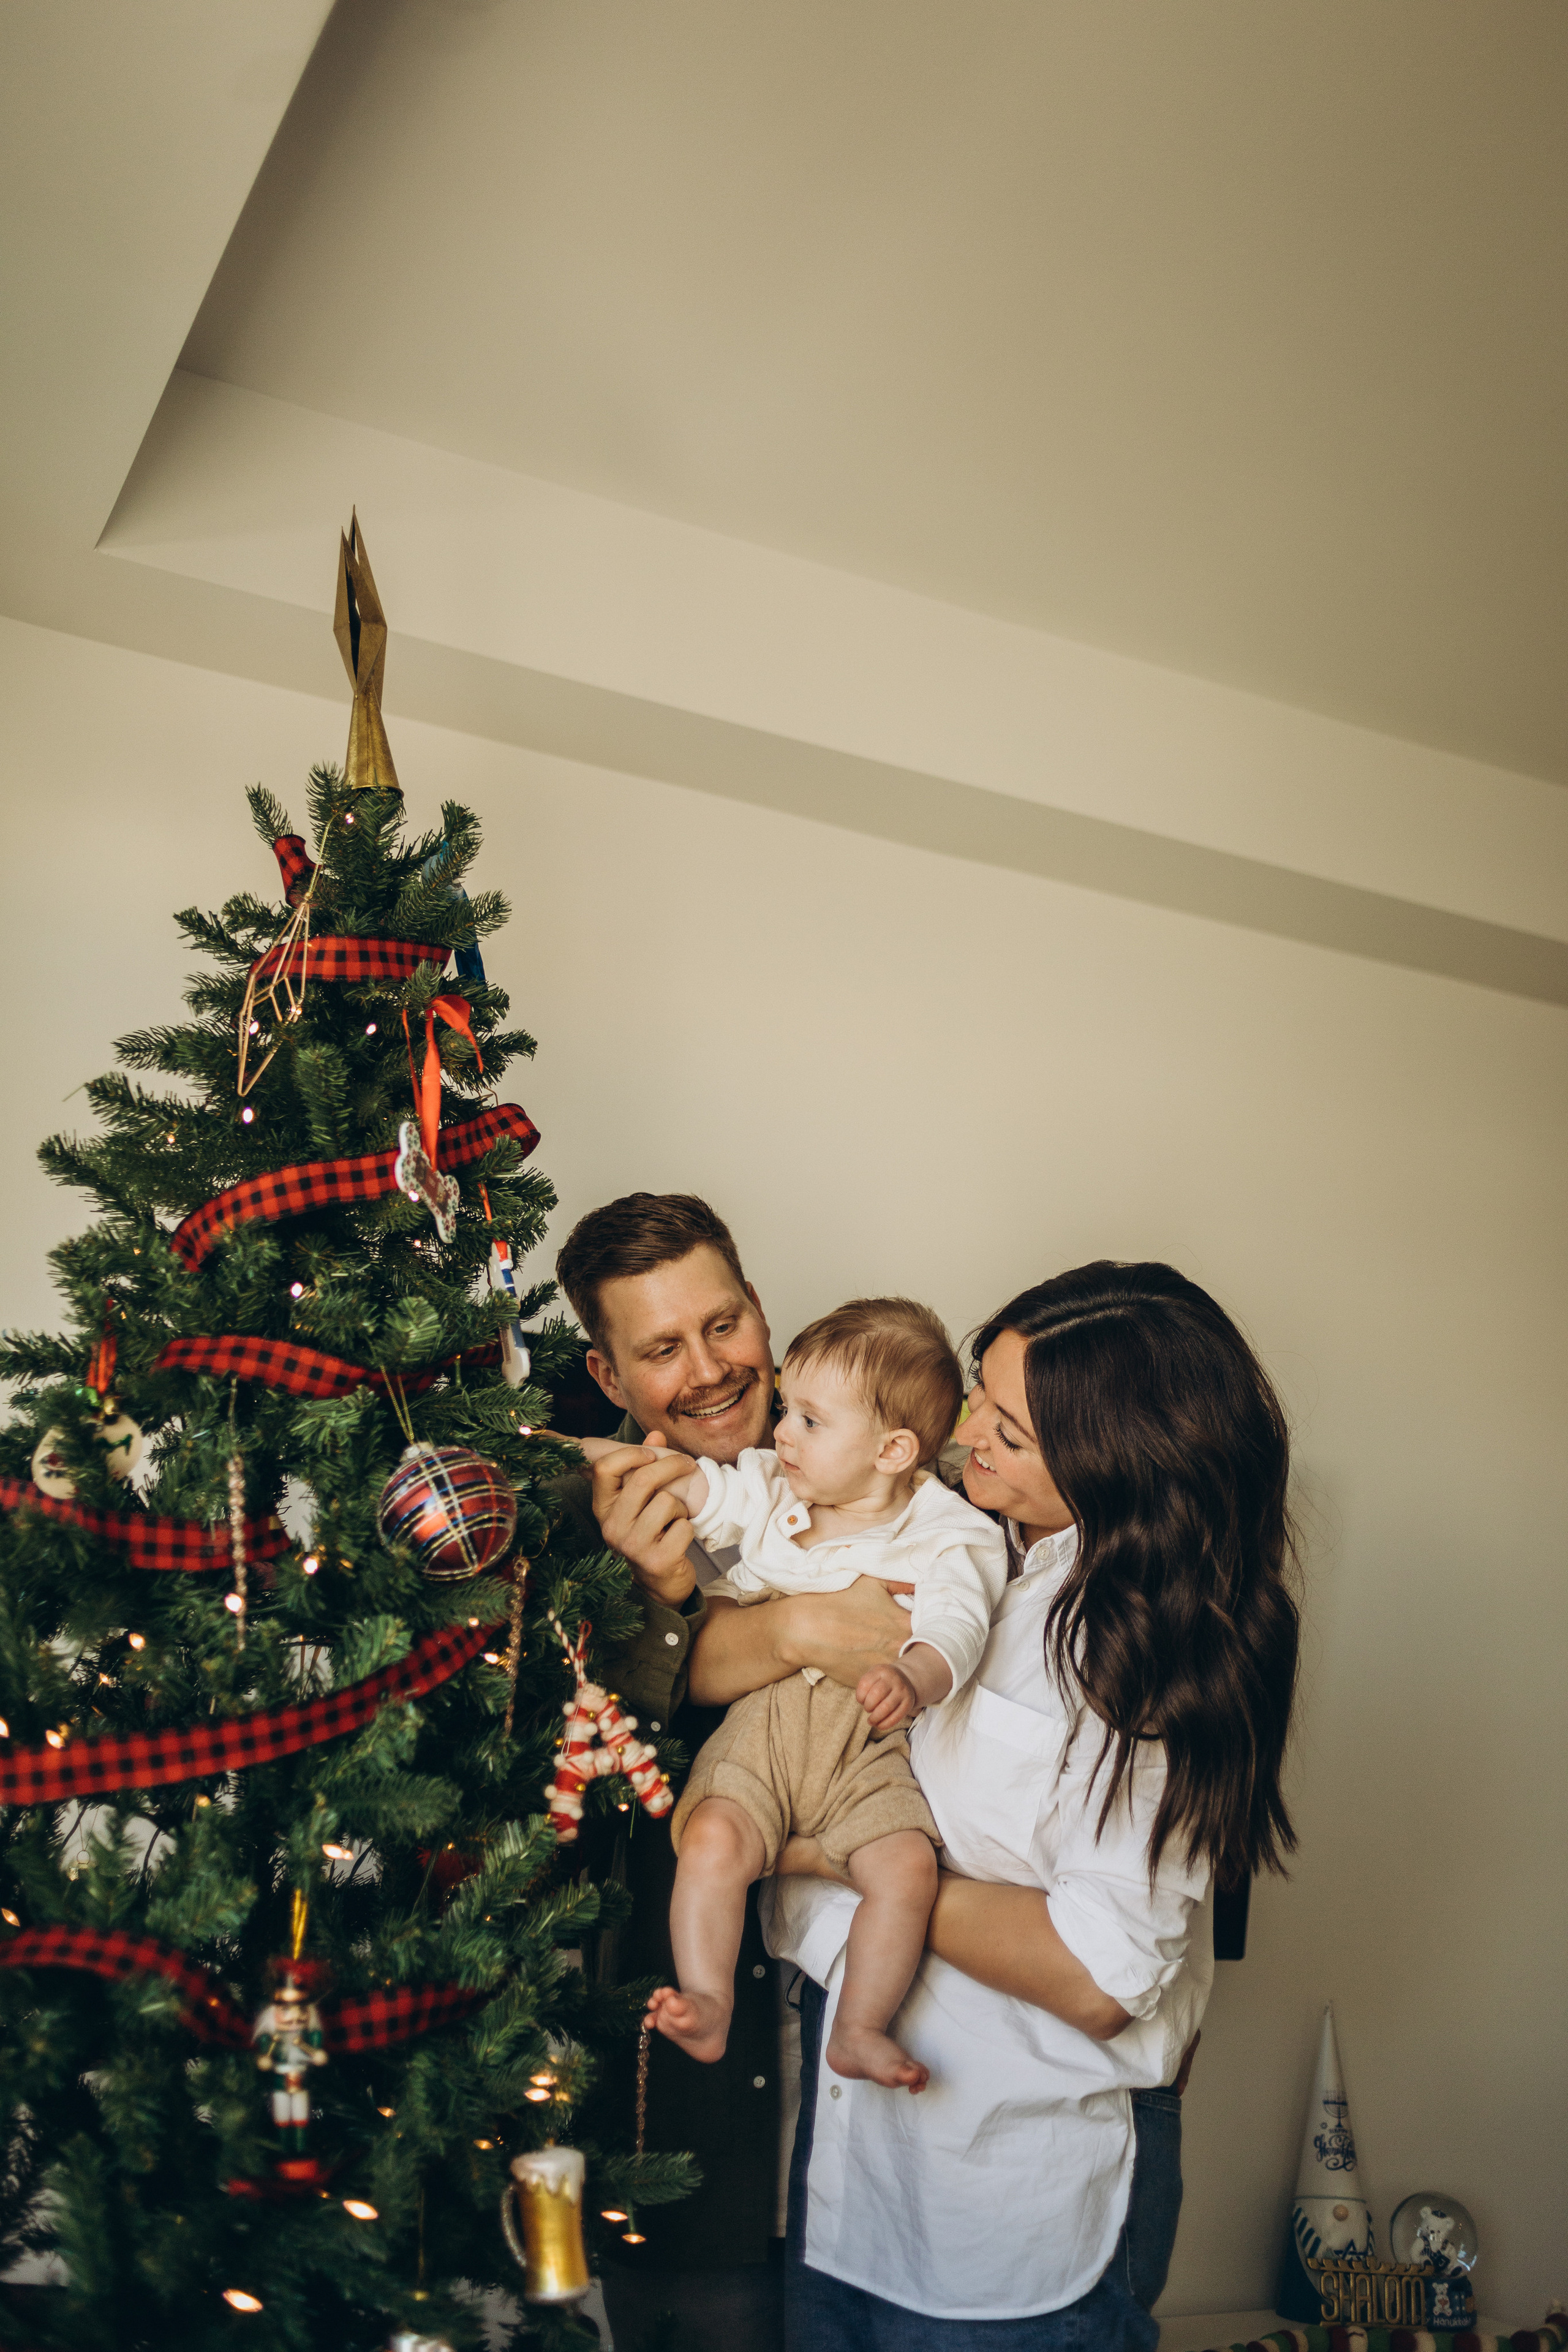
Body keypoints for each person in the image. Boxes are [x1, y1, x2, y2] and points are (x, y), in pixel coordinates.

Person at [683, 1262, 1300, 2348]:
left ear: (1118, 1461)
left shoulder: (1151, 1650)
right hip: (852, 2166)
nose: (962, 1433)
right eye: (979, 1393)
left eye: (1007, 1430)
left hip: (1007, 2197)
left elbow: (1099, 1974)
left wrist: (838, 1855)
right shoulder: (971, 1545)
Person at [578, 1298, 1006, 2090]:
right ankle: (707, 2000)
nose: (781, 1433)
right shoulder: (772, 1488)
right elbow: (700, 1490)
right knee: (710, 1844)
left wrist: (912, 1675)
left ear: (893, 1450)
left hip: (866, 1736)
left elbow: (959, 1624)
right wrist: (597, 1458)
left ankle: (859, 2028)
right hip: (762, 1728)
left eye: (810, 1420)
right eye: (788, 1409)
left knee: (906, 1869)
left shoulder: (952, 1531)